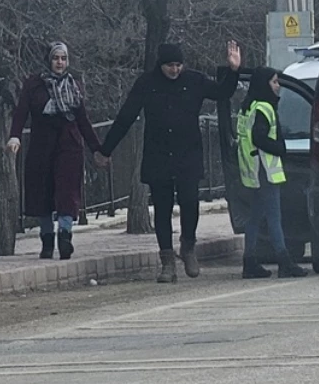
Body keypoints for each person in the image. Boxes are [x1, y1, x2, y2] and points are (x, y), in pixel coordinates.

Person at [97, 41, 242, 283]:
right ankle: (167, 261)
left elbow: (222, 92)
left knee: (189, 202)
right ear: (160, 65)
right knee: (162, 209)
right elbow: (126, 116)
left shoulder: (194, 80)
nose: (175, 70)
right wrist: (106, 149)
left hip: (188, 154)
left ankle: (188, 246)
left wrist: (233, 70)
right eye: (170, 66)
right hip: (159, 154)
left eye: (178, 65)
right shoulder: (147, 83)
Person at [8, 42, 102, 261]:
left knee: (67, 191)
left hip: (69, 145)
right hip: (42, 144)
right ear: (48, 60)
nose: (59, 63)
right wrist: (15, 136)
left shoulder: (74, 85)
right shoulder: (34, 85)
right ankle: (47, 239)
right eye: (55, 58)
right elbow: (21, 112)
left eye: (63, 59)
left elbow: (83, 121)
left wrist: (97, 149)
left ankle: (65, 236)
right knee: (43, 192)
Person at [236, 67, 308, 279]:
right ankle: (284, 261)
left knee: (255, 217)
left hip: (253, 170)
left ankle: (249, 262)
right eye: (275, 82)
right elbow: (259, 138)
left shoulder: (248, 107)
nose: (278, 86)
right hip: (266, 170)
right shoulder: (264, 108)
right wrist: (280, 149)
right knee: (275, 217)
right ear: (264, 84)